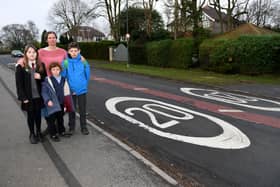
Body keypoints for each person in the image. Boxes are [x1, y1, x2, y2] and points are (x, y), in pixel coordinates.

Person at [15, 44, 47, 144]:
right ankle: (32, 133)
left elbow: (45, 79)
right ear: (26, 54)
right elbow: (19, 84)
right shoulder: (21, 66)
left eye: (34, 52)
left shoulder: (41, 65)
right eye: (29, 52)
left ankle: (38, 132)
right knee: (31, 116)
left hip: (39, 96)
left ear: (37, 53)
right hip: (28, 97)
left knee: (38, 115)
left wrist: (40, 77)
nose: (32, 54)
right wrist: (23, 97)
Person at [61, 42, 90, 135]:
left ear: (79, 51)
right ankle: (71, 127)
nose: (74, 53)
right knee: (71, 110)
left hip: (82, 90)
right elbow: (63, 76)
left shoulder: (83, 61)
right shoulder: (65, 62)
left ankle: (84, 127)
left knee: (82, 110)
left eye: (75, 51)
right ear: (68, 52)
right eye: (71, 51)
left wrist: (84, 84)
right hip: (71, 90)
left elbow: (87, 74)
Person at [41, 62, 72, 142]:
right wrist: (48, 100)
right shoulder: (48, 80)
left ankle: (62, 131)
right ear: (50, 71)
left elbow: (66, 91)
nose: (55, 71)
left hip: (61, 103)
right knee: (51, 120)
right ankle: (53, 134)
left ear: (60, 70)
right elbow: (44, 92)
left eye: (57, 69)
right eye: (53, 70)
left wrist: (67, 102)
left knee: (60, 118)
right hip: (52, 103)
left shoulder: (63, 79)